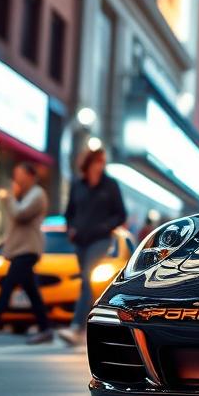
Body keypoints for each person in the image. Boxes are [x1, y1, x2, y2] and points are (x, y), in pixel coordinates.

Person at [60, 147, 126, 346]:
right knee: (87, 285)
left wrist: (105, 227)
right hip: (80, 241)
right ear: (89, 163)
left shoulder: (110, 185)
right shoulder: (77, 185)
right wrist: (70, 228)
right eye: (98, 161)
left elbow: (121, 214)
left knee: (88, 279)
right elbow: (69, 212)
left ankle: (75, 327)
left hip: (100, 240)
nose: (101, 165)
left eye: (103, 161)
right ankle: (99, 328)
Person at [0, 162, 53, 343]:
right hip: (20, 249)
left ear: (29, 175)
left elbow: (20, 214)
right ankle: (45, 328)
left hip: (27, 249)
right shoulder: (23, 194)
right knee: (31, 291)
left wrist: (8, 198)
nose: (16, 178)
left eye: (18, 174)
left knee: (8, 287)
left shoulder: (37, 194)